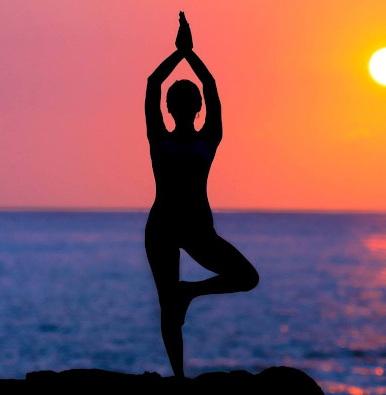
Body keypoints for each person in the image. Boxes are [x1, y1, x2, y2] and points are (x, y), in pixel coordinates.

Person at [144, 12, 259, 378]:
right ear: (198, 108)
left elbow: (153, 82)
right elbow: (209, 84)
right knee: (244, 278)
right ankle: (188, 300)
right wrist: (189, 52)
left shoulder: (160, 138)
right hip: (180, 227)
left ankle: (179, 373)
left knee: (169, 303)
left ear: (171, 108)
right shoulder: (206, 138)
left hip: (176, 227)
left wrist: (179, 53)